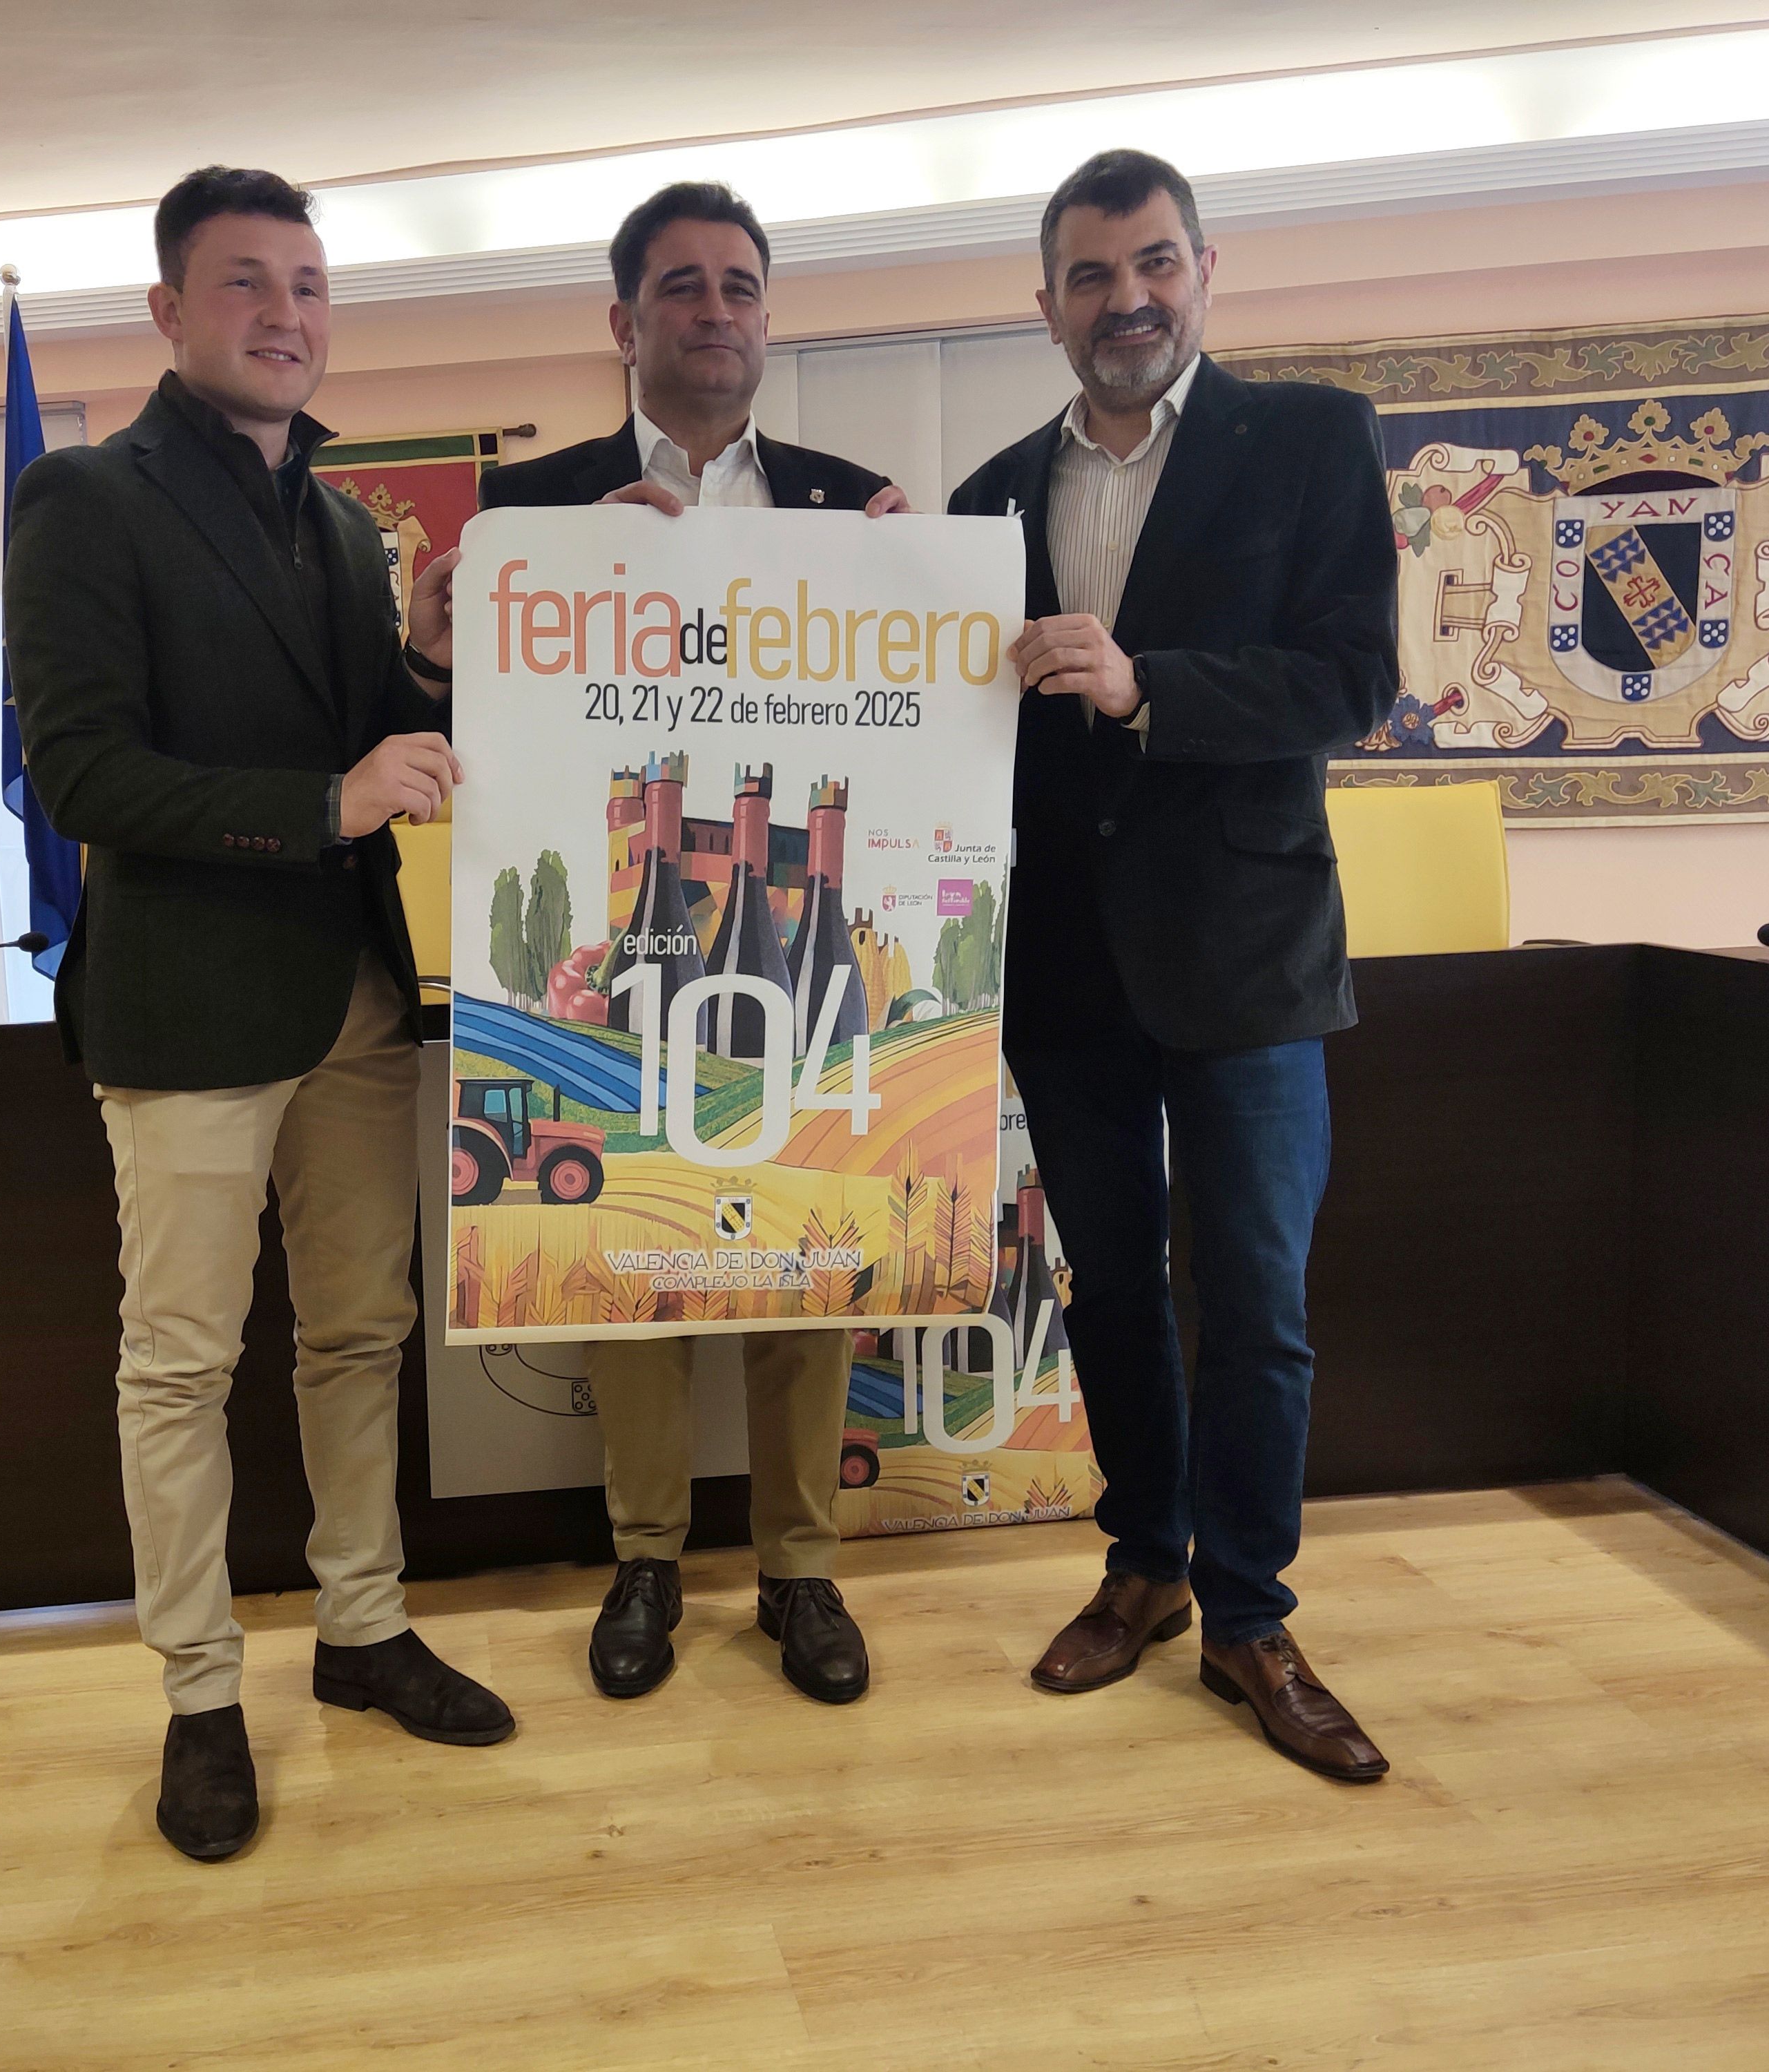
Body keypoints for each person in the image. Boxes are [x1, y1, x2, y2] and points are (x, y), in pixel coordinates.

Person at [8, 164, 512, 1865]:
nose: (285, 312)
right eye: (244, 283)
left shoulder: (330, 516)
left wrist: (425, 661)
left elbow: (366, 728)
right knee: (183, 1364)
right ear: (166, 308)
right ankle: (199, 1695)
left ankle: (360, 1630)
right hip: (189, 1006)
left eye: (307, 282)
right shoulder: (87, 495)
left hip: (356, 995)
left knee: (360, 1334)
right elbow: (78, 772)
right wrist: (325, 804)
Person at [947, 149, 1400, 1781]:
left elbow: (1350, 681)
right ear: (1047, 301)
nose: (1123, 298)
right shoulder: (987, 496)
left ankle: (1250, 1613)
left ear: (1205, 269)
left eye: (1151, 264)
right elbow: (947, 726)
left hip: (1248, 958)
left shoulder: (1306, 439)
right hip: (1058, 966)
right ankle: (1140, 1561)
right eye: (1087, 274)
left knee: (1257, 1304)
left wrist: (1147, 689)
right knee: (1111, 1290)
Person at [480, 181, 909, 1707]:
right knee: (631, 1249)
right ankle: (645, 1559)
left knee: (807, 1246)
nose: (713, 308)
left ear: (767, 315)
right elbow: (466, 714)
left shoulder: (858, 513)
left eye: (737, 284)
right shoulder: (536, 517)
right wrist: (489, 597)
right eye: (680, 286)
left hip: (782, 900)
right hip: (640, 916)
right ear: (624, 321)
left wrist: (930, 591)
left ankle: (799, 1572)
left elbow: (925, 715)